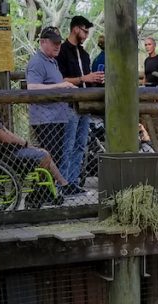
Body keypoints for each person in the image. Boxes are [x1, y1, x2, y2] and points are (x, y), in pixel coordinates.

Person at [0, 70, 77, 200]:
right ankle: (44, 191)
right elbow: (2, 136)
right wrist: (25, 144)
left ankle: (62, 184)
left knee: (41, 151)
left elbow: (4, 130)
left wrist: (25, 144)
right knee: (43, 155)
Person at [57, 16, 102, 189]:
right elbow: (61, 80)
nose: (86, 34)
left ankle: (74, 182)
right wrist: (84, 78)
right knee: (67, 146)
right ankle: (63, 183)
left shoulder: (84, 54)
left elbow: (87, 79)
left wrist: (95, 80)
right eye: (84, 30)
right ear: (75, 29)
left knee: (80, 145)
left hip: (85, 105)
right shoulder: (61, 51)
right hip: (69, 105)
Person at [26, 27, 75, 177]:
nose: (57, 46)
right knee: (46, 157)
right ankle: (38, 194)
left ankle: (49, 192)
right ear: (42, 42)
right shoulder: (37, 62)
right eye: (54, 43)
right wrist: (60, 86)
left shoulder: (52, 61)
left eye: (59, 42)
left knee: (55, 157)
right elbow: (32, 87)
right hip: (45, 120)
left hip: (57, 118)